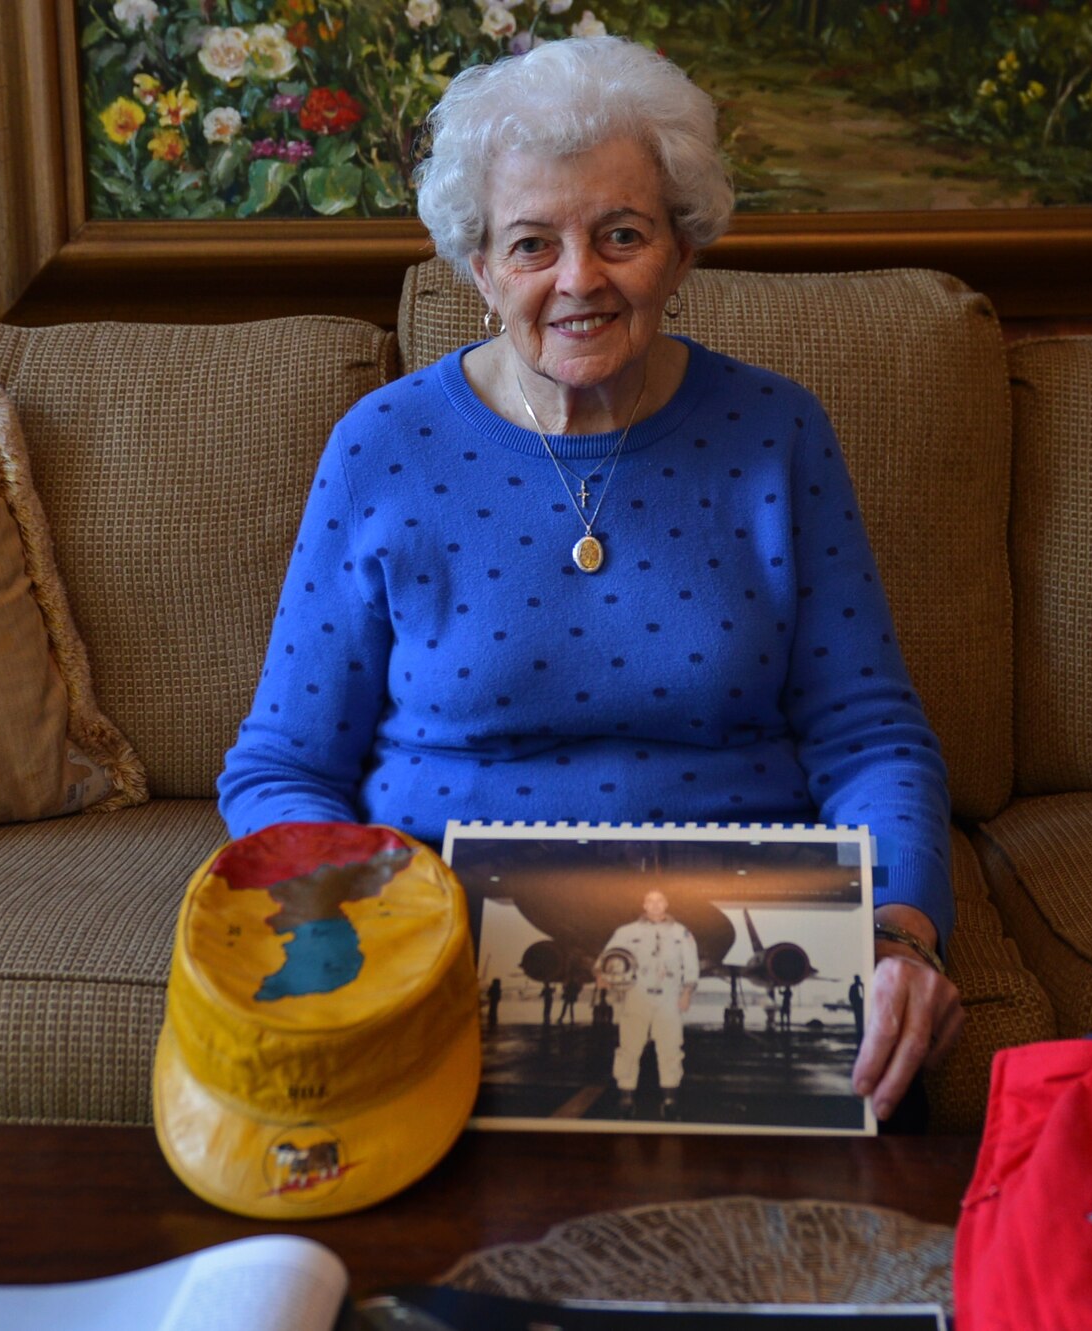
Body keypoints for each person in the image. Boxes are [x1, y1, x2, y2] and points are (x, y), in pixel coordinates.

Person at [216, 35, 962, 1121]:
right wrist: (355, 926)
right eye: (531, 244)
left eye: (620, 233)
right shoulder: (383, 446)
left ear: (680, 249)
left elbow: (871, 736)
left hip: (738, 943)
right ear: (477, 267)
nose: (579, 280)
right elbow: (280, 761)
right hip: (441, 942)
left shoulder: (774, 432)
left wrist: (897, 930)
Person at [598, 889, 700, 1119]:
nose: (655, 905)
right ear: (644, 905)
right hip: (636, 995)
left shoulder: (681, 933)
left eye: (659, 901)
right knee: (629, 1048)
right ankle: (625, 1099)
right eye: (650, 901)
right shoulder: (626, 932)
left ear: (666, 904)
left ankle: (670, 1099)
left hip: (669, 997)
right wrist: (603, 976)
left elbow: (691, 965)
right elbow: (607, 958)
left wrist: (686, 994)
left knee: (671, 1048)